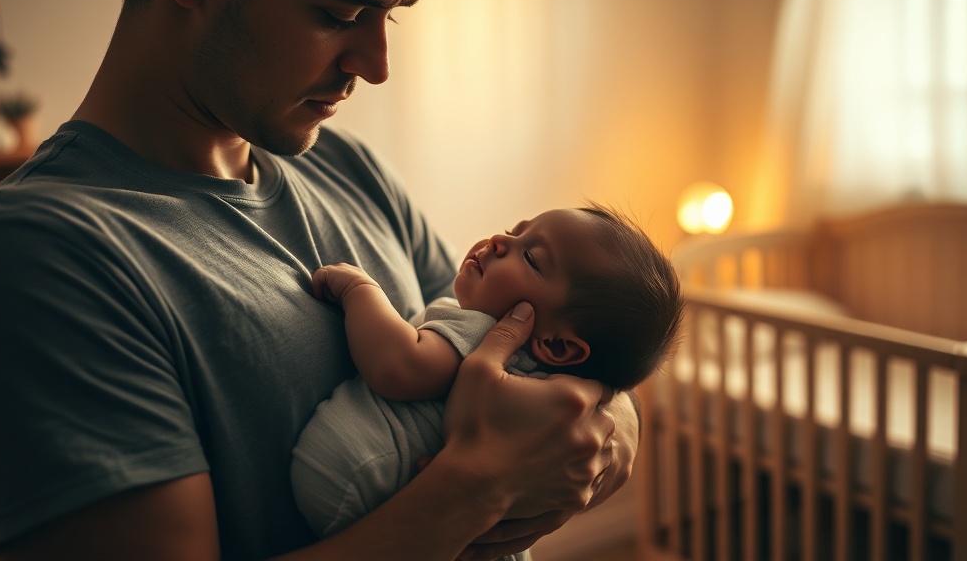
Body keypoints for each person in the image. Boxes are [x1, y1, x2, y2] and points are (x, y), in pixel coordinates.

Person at [0, 0, 645, 560]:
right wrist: (473, 492)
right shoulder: (32, 260)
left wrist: (605, 447)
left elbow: (561, 373)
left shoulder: (350, 169)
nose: (377, 63)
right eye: (338, 14)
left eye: (391, 16)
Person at [292, 205, 683, 552]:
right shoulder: (539, 371)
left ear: (559, 348)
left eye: (530, 257)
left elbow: (398, 365)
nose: (499, 241)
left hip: (360, 478)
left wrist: (360, 290)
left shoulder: (480, 331)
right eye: (514, 231)